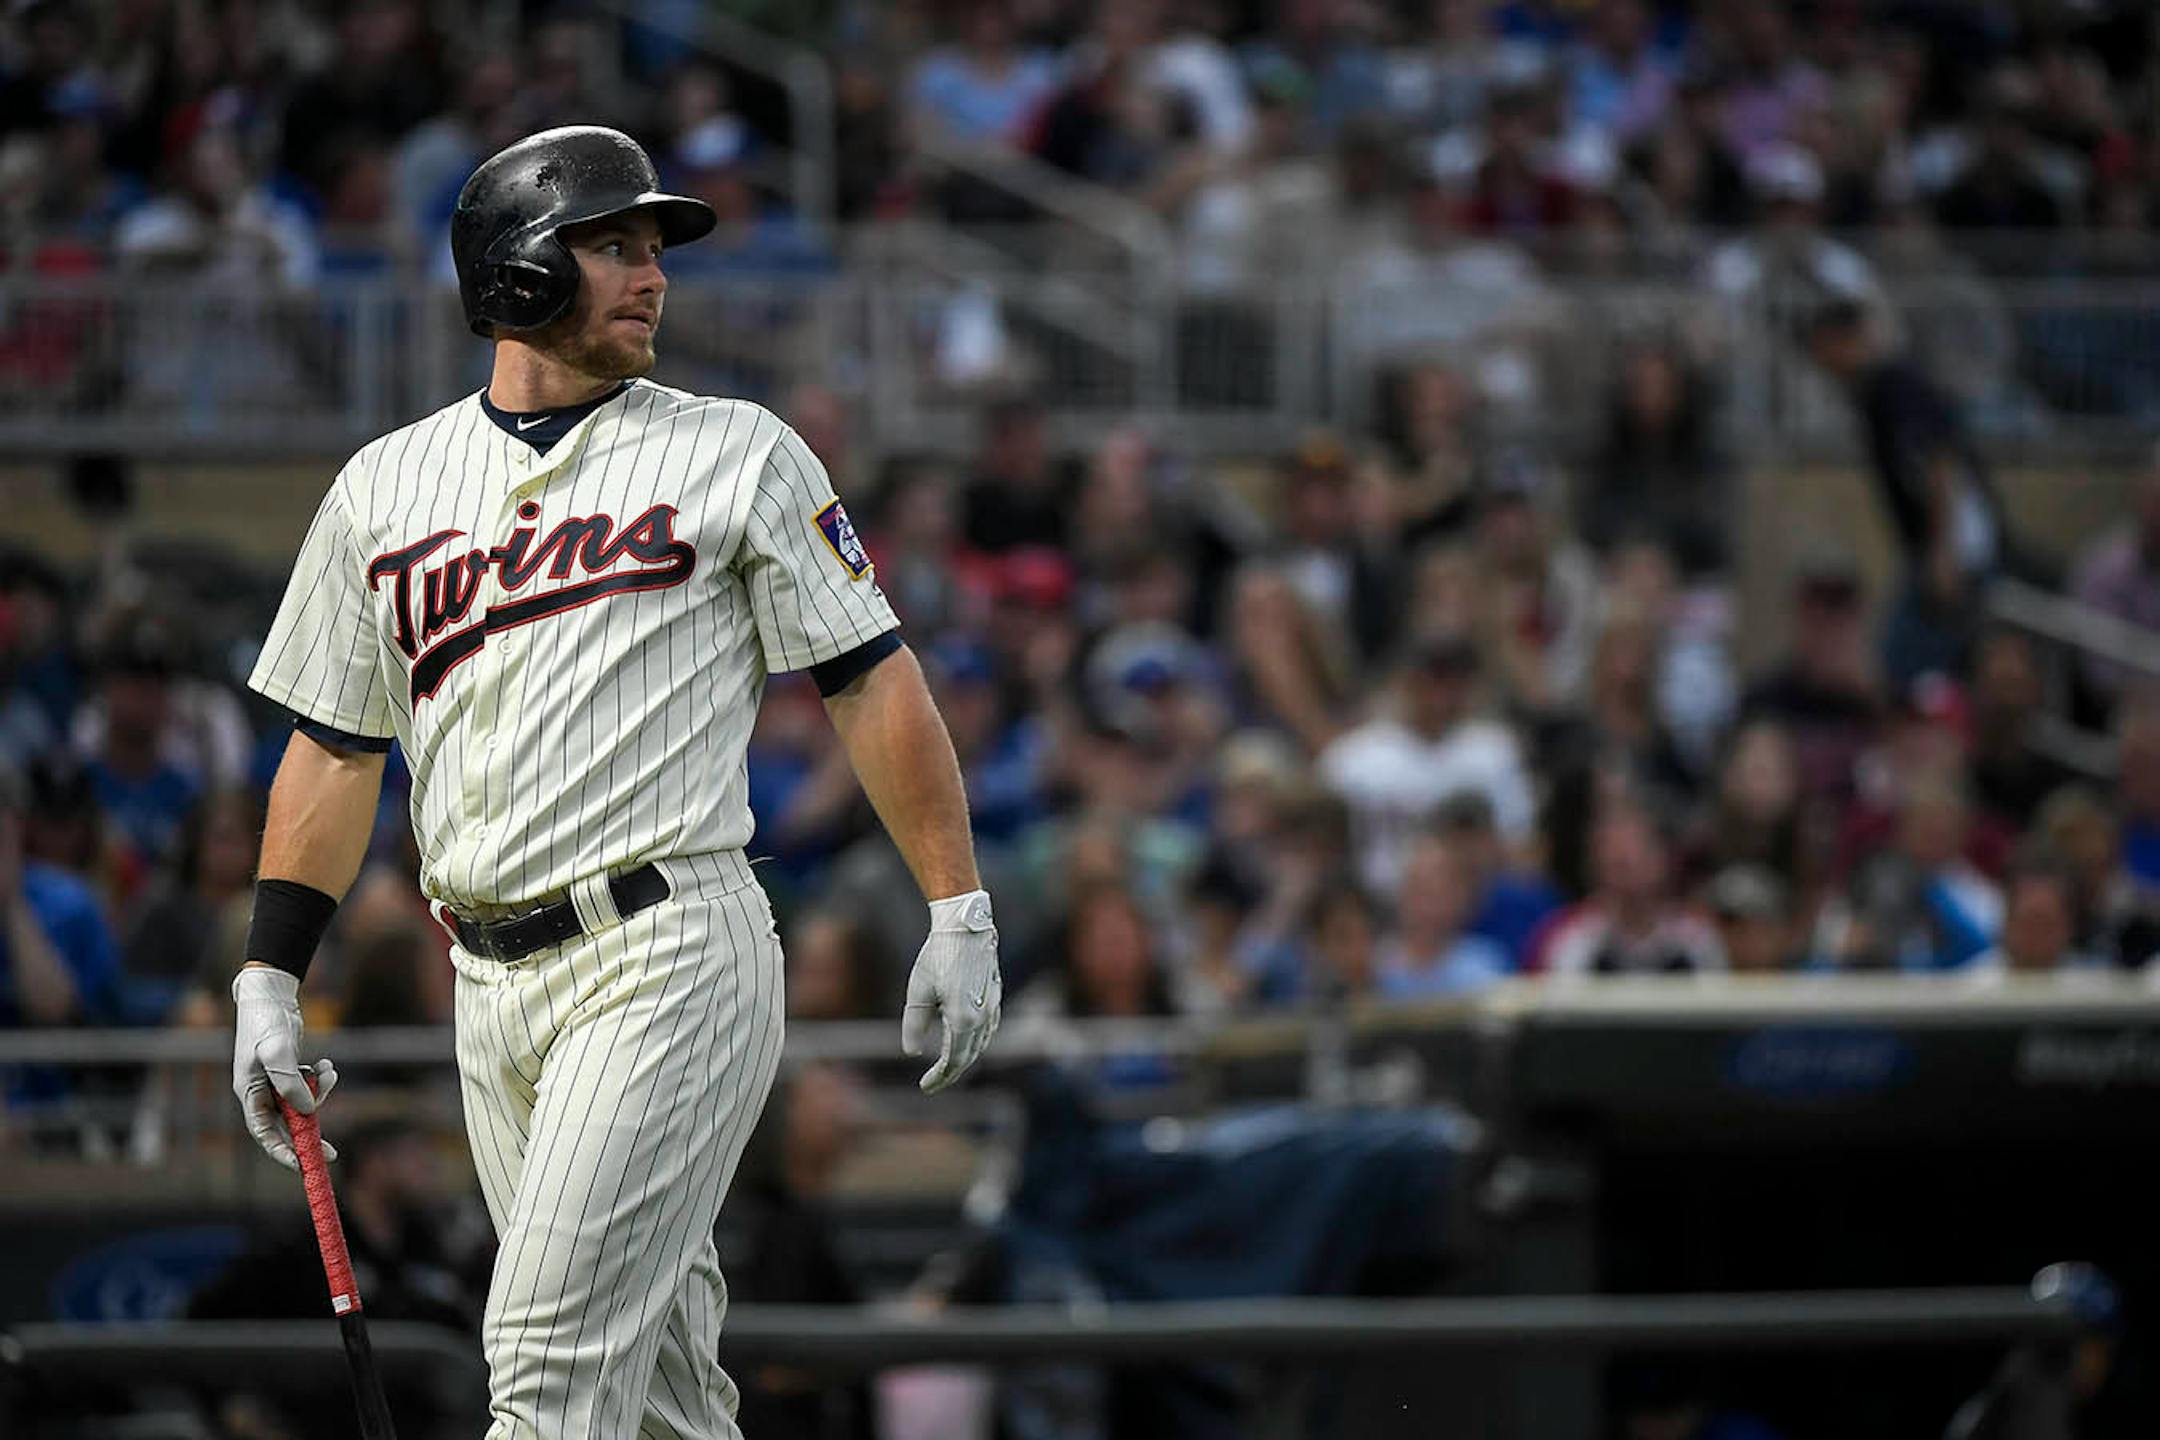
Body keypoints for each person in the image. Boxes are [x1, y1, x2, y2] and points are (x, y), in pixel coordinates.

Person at [228, 127, 1002, 1440]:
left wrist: (959, 904)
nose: (653, 274)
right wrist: (268, 974)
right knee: (655, 1400)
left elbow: (872, 676)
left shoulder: (737, 452)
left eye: (656, 248)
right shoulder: (382, 486)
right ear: (518, 267)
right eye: (616, 243)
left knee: (539, 1368)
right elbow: (335, 745)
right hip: (487, 979)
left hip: (669, 947)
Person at [1804, 296, 2010, 687]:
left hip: (1958, 550)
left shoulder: (1893, 384)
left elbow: (1939, 461)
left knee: (1901, 667)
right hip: (1937, 549)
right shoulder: (1873, 393)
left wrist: (1944, 551)